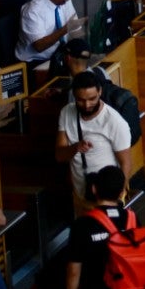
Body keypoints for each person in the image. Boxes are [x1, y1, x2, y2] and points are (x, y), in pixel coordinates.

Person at [57, 70, 133, 206]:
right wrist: (75, 148)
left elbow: (126, 163)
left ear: (100, 92)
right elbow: (60, 155)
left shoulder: (114, 121)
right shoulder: (66, 113)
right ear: (74, 95)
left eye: (92, 99)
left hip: (108, 199)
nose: (87, 105)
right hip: (80, 195)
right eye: (81, 100)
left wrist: (118, 195)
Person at [17, 0, 83, 74]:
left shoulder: (65, 0)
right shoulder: (33, 10)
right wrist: (65, 29)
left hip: (59, 54)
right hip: (36, 61)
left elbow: (75, 29)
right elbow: (39, 46)